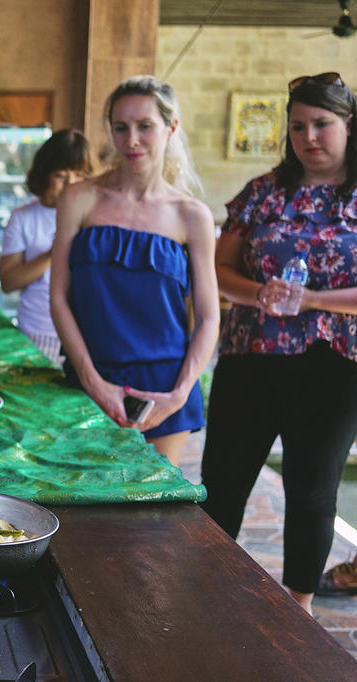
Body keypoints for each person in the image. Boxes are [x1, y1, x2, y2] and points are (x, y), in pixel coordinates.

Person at [200, 72, 357, 614]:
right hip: (251, 358)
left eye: (322, 124)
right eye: (298, 126)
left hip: (335, 366)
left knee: (312, 490)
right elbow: (216, 269)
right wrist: (259, 291)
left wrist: (312, 300)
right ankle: (208, 592)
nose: (309, 136)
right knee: (222, 481)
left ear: (348, 125)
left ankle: (298, 608)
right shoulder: (264, 191)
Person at [49, 75, 220, 467]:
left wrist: (178, 395)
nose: (132, 140)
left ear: (170, 127)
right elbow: (59, 298)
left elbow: (209, 318)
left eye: (145, 126)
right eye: (121, 127)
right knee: (80, 507)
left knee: (148, 520)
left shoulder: (191, 215)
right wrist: (92, 380)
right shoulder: (79, 199)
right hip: (87, 378)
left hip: (164, 390)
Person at [0, 129, 93, 365]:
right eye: (62, 176)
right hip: (38, 331)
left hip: (85, 334)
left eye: (78, 176)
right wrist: (55, 251)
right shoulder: (23, 218)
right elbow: (8, 282)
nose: (70, 185)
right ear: (44, 175)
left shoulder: (94, 217)